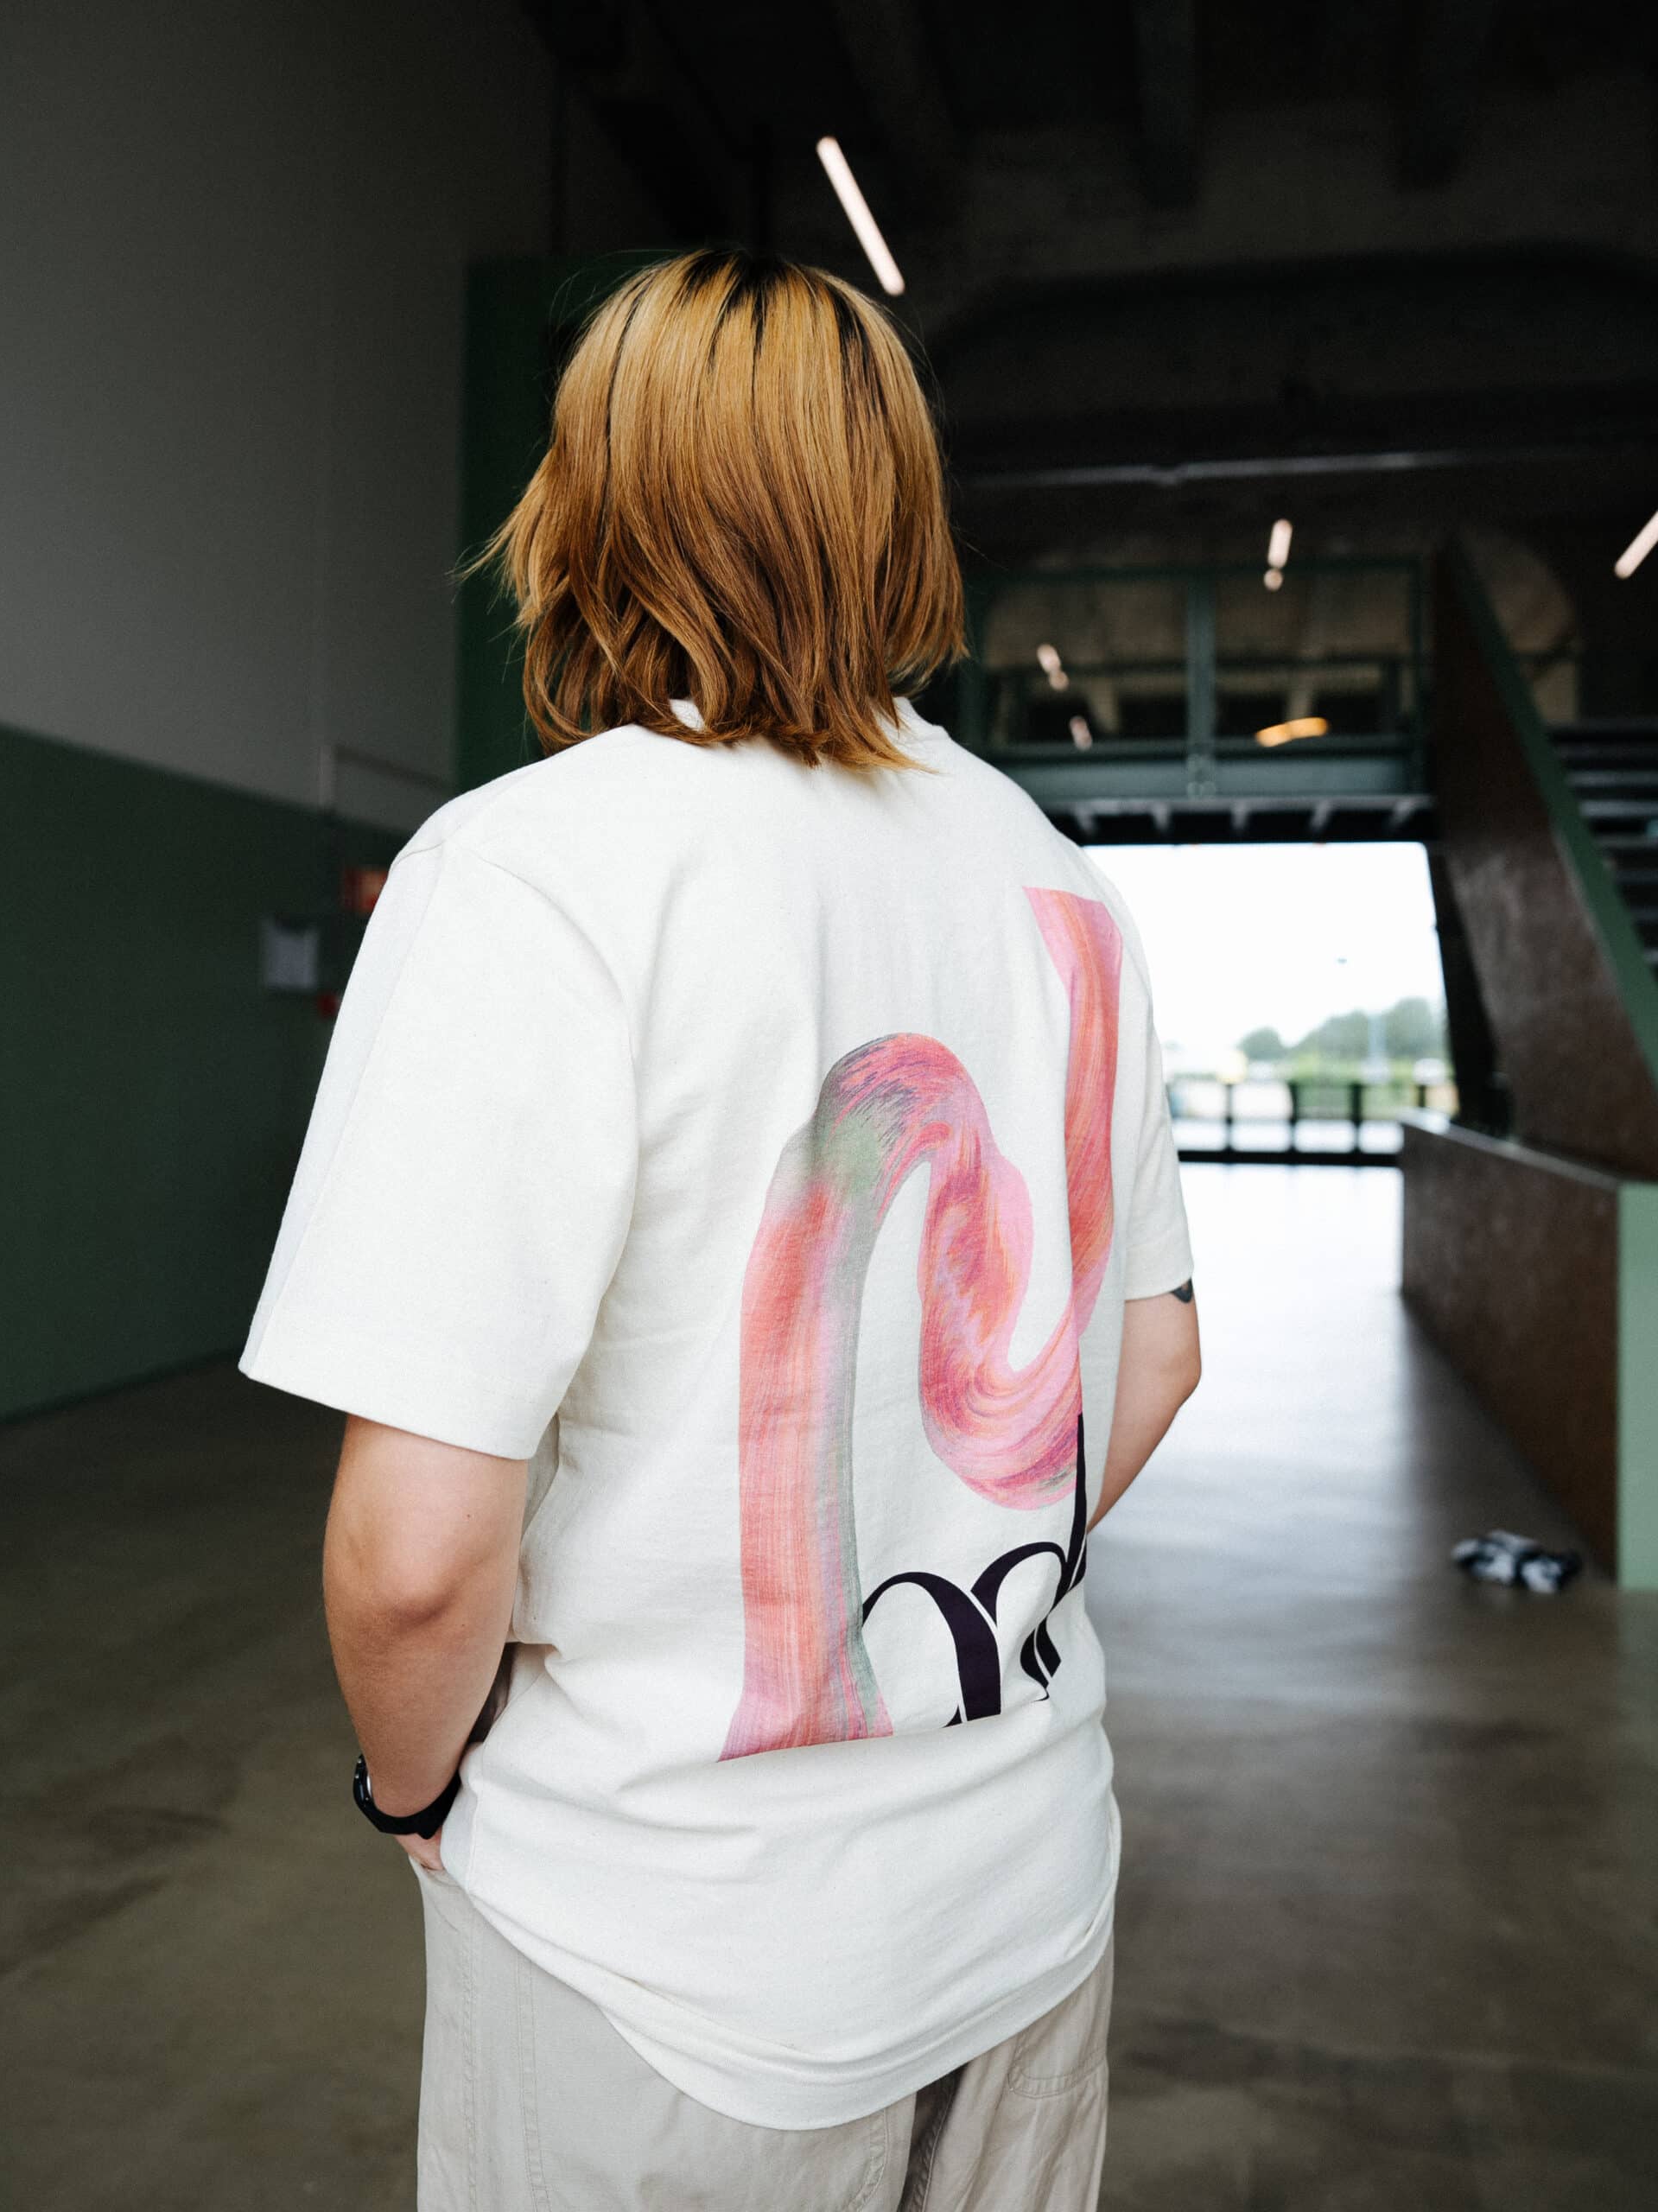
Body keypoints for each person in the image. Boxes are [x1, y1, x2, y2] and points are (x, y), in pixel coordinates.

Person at [241, 247, 1199, 2212]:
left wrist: (413, 1789)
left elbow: (416, 1563)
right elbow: (1158, 1356)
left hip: (668, 1951)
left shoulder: (535, 870)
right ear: (900, 513)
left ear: (590, 503)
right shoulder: (1058, 881)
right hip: (1028, 1903)